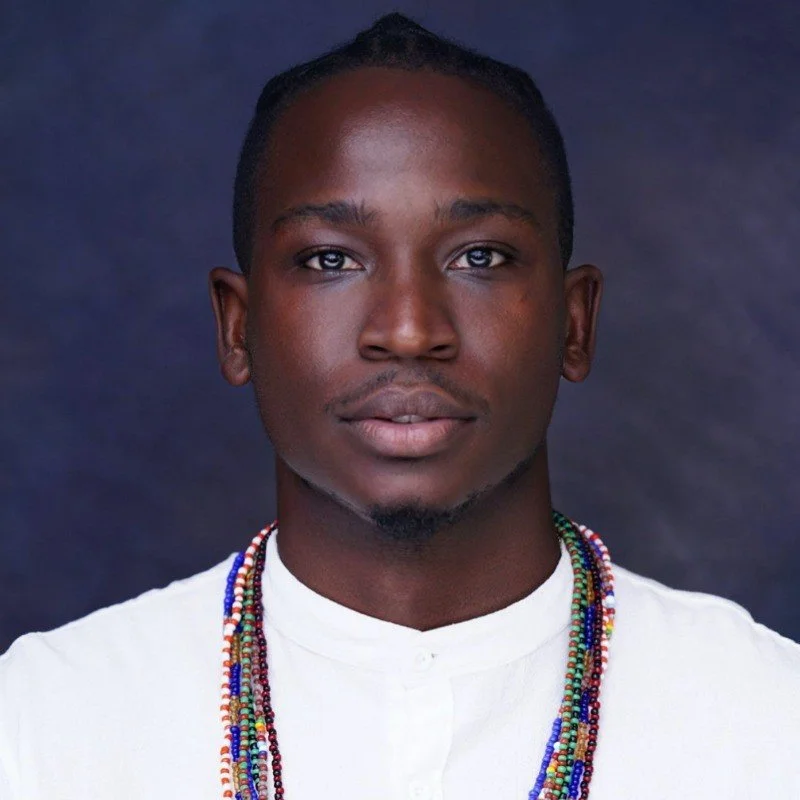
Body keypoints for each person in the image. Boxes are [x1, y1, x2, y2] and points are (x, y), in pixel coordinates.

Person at [1, 12, 798, 800]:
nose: (409, 331)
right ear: (238, 329)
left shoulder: (766, 723)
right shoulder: (45, 722)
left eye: (479, 257)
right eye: (330, 259)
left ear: (575, 323)